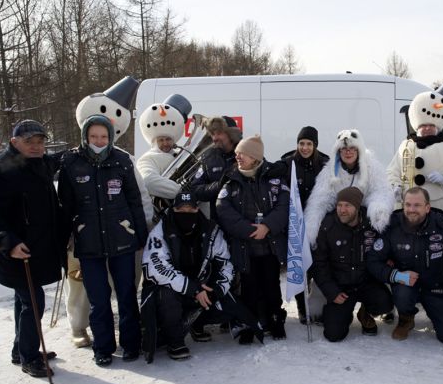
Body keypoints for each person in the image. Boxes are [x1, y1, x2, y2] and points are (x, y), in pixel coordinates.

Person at [0, 120, 68, 378]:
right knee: (34, 302)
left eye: (40, 141)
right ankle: (29, 357)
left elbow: (53, 162)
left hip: (36, 249)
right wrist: (10, 243)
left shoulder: (37, 162)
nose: (37, 146)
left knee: (25, 300)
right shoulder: (3, 169)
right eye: (29, 142)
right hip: (16, 252)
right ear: (14, 142)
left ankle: (21, 350)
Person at [58, 115, 148, 367]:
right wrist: (63, 240)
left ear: (110, 138)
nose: (99, 141)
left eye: (104, 137)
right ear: (85, 137)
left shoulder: (122, 161)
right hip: (88, 242)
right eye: (94, 136)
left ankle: (131, 344)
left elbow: (134, 200)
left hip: (122, 237)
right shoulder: (71, 163)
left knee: (127, 294)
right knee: (98, 298)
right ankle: (103, 346)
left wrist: (141, 234)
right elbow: (65, 206)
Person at [141, 191, 263, 361]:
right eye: (181, 211)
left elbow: (226, 263)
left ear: (197, 210)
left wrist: (216, 290)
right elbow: (156, 268)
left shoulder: (211, 230)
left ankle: (196, 323)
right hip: (174, 289)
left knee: (228, 307)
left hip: (202, 287)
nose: (186, 214)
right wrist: (193, 288)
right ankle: (175, 341)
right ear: (173, 210)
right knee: (166, 298)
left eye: (191, 210)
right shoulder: (160, 231)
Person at [366, 187, 443, 344]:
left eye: (417, 205)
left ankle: (437, 314)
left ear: (427, 207)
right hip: (406, 284)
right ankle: (406, 318)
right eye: (408, 205)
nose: (411, 210)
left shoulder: (442, 225)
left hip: (435, 287)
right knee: (403, 295)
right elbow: (372, 260)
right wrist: (397, 275)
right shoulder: (392, 226)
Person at [387, 90, 443, 302]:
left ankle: (442, 295)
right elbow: (393, 171)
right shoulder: (406, 145)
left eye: (431, 125)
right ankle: (406, 298)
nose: (427, 128)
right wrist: (394, 186)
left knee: (440, 253)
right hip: (411, 210)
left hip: (440, 208)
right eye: (423, 125)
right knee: (407, 254)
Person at [216, 135, 289, 341]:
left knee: (271, 288)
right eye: (237, 153)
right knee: (249, 289)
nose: (237, 156)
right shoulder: (231, 179)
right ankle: (250, 324)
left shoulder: (274, 179)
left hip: (270, 247)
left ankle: (275, 321)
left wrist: (267, 226)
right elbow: (223, 209)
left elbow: (285, 206)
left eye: (243, 153)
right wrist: (248, 230)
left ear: (255, 157)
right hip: (245, 247)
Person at [312, 187, 393, 341]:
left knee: (385, 304)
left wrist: (388, 259)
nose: (342, 210)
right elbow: (319, 263)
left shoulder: (373, 223)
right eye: (339, 205)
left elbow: (387, 244)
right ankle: (342, 314)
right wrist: (332, 292)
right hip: (341, 287)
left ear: (357, 207)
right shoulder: (328, 226)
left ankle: (365, 313)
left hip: (366, 282)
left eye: (347, 205)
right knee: (333, 335)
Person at [304, 129, 394, 246]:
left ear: (359, 150)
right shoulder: (329, 172)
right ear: (338, 152)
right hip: (341, 219)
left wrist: (378, 209)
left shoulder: (372, 167)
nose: (348, 152)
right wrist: (312, 226)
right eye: (344, 149)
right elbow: (319, 199)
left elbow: (382, 191)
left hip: (363, 222)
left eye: (352, 149)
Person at [278, 126, 329, 323]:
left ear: (315, 145)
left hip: (318, 223)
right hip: (296, 223)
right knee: (300, 268)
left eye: (309, 144)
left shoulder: (325, 164)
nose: (305, 148)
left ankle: (319, 305)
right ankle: (302, 307)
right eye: (301, 143)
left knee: (318, 265)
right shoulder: (288, 163)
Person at [136, 94, 193, 203]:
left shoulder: (180, 154)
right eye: (161, 140)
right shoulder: (147, 159)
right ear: (155, 141)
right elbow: (148, 181)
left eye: (168, 139)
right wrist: (181, 191)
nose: (165, 143)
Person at [191, 116, 243, 216]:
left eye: (219, 133)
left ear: (231, 134)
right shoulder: (208, 157)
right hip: (219, 223)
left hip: (247, 221)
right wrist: (219, 185)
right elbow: (196, 190)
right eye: (212, 134)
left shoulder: (248, 151)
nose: (214, 138)